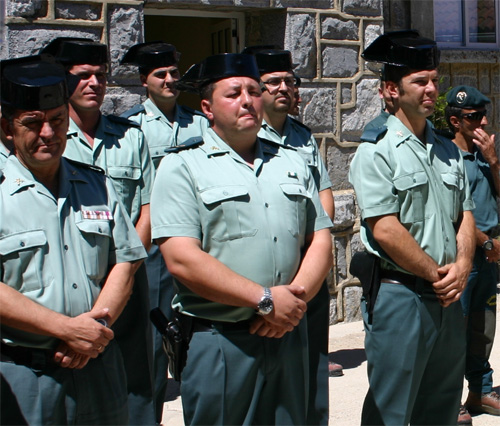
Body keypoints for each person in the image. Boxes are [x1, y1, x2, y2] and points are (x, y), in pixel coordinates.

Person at [150, 53, 333, 425]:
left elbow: (320, 238)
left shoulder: (292, 161)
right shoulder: (182, 166)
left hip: (287, 334)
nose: (247, 100)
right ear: (207, 108)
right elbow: (182, 258)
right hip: (221, 339)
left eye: (253, 91)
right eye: (233, 93)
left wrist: (292, 302)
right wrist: (264, 300)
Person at [0, 56, 146, 425]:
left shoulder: (96, 184)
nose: (48, 133)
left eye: (57, 120)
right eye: (33, 123)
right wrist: (65, 329)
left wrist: (93, 332)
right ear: (7, 128)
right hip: (26, 373)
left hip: (99, 365)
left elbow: (125, 261)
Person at [349, 31, 476, 425]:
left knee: (441, 405)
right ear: (392, 89)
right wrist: (437, 274)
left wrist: (463, 266)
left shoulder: (448, 150)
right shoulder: (376, 150)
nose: (432, 89)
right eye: (420, 81)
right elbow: (385, 229)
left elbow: (465, 215)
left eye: (434, 80)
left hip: (448, 296)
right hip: (401, 296)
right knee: (392, 409)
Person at [41, 37, 156, 425]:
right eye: (83, 75)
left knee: (136, 375)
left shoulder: (130, 136)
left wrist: (124, 267)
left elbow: (148, 208)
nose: (95, 83)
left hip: (127, 275)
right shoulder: (48, 137)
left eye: (101, 75)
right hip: (71, 275)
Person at [120, 41, 209, 422]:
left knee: (200, 326)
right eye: (161, 74)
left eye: (174, 73)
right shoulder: (131, 127)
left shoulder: (200, 122)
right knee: (156, 336)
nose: (170, 80)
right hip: (157, 245)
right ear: (144, 81)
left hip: (199, 240)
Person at [246, 47, 335, 424]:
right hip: (265, 275)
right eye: (273, 82)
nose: (284, 88)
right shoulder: (243, 135)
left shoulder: (302, 137)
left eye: (289, 81)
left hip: (307, 269)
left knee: (312, 366)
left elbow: (324, 195)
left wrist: (314, 250)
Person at [445, 85, 500, 421]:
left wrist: (493, 160)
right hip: (464, 252)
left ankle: (481, 390)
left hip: (490, 255)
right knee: (456, 329)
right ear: (456, 121)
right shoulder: (445, 157)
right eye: (474, 117)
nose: (483, 122)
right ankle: (449, 399)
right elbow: (453, 212)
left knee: (484, 326)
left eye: (484, 115)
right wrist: (487, 244)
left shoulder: (484, 154)